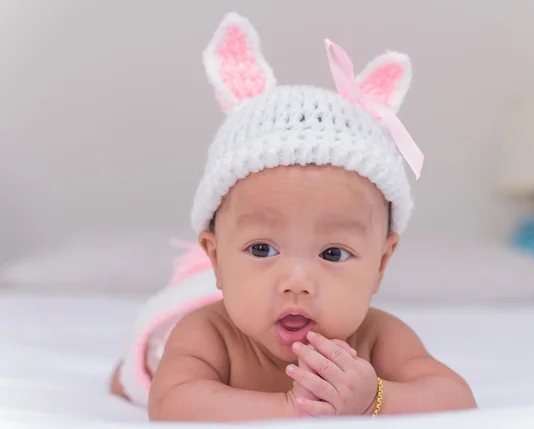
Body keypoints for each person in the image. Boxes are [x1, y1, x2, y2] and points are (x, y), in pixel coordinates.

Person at [109, 11, 477, 422]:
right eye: (262, 249)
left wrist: (376, 398)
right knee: (134, 377)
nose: (296, 283)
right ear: (214, 258)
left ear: (381, 264)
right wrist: (289, 408)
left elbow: (455, 396)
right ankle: (126, 373)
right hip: (173, 349)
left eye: (334, 254)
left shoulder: (378, 337)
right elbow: (171, 405)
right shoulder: (209, 333)